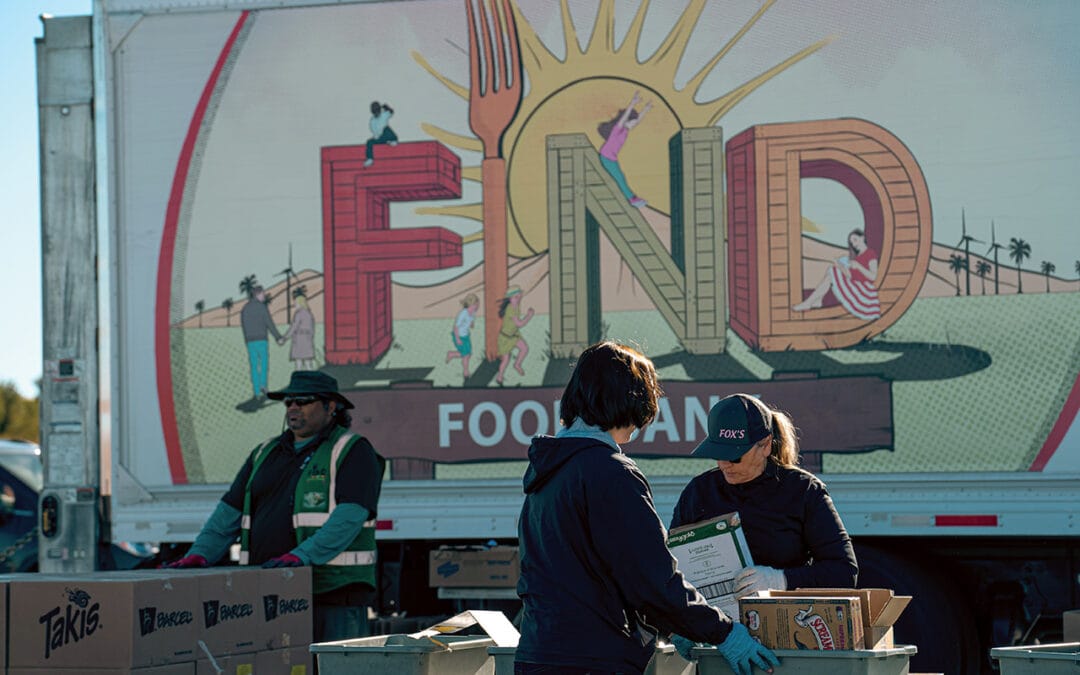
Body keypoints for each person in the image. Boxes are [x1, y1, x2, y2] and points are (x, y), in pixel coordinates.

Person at [515, 341, 779, 675]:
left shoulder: (548, 471)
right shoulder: (611, 472)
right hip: (593, 661)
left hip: (539, 654)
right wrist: (724, 632)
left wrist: (685, 623)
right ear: (634, 400)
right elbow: (652, 580)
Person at [163, 370, 385, 643]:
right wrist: (200, 554)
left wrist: (301, 557)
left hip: (333, 594)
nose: (293, 407)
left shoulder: (352, 450)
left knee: (335, 666)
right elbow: (228, 514)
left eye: (303, 400)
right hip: (270, 592)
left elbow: (349, 518)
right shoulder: (264, 452)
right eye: (288, 401)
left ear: (331, 407)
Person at [670, 393, 858, 604]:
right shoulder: (699, 491)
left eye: (734, 455)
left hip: (783, 623)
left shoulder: (803, 490)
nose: (724, 464)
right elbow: (671, 565)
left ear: (766, 444)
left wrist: (781, 580)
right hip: (717, 626)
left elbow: (844, 571)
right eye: (717, 452)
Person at [792, 228, 881, 320]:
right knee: (832, 270)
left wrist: (858, 266)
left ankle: (810, 302)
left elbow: (873, 276)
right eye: (852, 242)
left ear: (862, 238)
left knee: (832, 271)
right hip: (855, 284)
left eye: (855, 240)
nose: (854, 244)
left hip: (864, 290)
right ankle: (815, 301)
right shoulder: (856, 257)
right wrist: (839, 265)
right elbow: (850, 275)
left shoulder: (870, 253)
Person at [598, 90, 652, 208]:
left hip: (611, 157)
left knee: (620, 176)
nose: (634, 124)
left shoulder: (626, 130)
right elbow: (625, 117)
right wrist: (633, 103)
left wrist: (646, 110)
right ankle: (632, 199)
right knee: (619, 177)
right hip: (606, 156)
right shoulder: (618, 129)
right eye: (632, 122)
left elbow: (637, 121)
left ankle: (632, 198)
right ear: (627, 121)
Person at [240, 285, 285, 400]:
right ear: (258, 294)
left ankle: (256, 392)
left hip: (250, 341)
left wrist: (246, 339)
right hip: (261, 340)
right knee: (264, 364)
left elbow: (244, 326)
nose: (264, 296)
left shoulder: (245, 309)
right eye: (263, 294)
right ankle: (263, 387)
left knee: (254, 366)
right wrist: (278, 337)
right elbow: (269, 323)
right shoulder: (262, 307)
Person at [495, 285, 534, 386]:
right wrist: (529, 316)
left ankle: (517, 364)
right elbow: (519, 324)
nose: (518, 299)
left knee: (524, 348)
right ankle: (499, 376)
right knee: (506, 359)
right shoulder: (510, 309)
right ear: (510, 298)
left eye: (519, 296)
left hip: (514, 335)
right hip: (505, 337)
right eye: (515, 297)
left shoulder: (516, 305)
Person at [446, 293, 480, 378]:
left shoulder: (472, 313)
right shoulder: (463, 313)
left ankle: (452, 354)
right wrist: (457, 338)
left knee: (468, 354)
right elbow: (456, 327)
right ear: (471, 304)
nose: (477, 306)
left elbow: (471, 323)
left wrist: (472, 324)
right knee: (466, 355)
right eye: (476, 305)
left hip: (466, 336)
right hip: (459, 336)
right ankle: (465, 372)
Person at [283, 292, 316, 371]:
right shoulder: (309, 314)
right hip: (307, 340)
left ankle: (299, 381)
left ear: (300, 303)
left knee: (298, 364)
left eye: (296, 303)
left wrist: (285, 337)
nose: (295, 305)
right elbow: (312, 329)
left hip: (299, 340)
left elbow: (294, 327)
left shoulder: (298, 314)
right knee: (308, 364)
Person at [364, 101, 398, 168]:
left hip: (387, 135)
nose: (377, 113)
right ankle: (370, 159)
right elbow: (375, 133)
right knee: (369, 142)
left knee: (386, 129)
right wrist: (378, 138)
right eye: (375, 112)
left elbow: (391, 112)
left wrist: (386, 107)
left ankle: (394, 140)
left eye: (378, 111)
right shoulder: (372, 121)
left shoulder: (384, 115)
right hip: (379, 138)